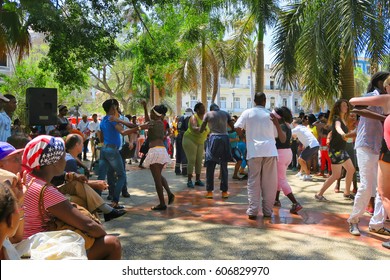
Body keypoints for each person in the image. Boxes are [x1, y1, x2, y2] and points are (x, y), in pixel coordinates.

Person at [22, 135, 122, 259]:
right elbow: (88, 225)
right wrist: (102, 233)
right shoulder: (47, 191)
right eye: (63, 156)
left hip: (25, 244)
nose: (66, 160)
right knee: (112, 243)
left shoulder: (26, 178)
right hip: (38, 250)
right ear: (53, 162)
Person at [347, 71, 390, 237]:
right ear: (381, 83)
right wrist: (382, 117)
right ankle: (353, 220)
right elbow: (356, 108)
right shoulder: (373, 96)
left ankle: (377, 223)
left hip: (380, 146)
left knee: (382, 189)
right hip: (366, 144)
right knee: (366, 186)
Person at [51, 134, 127, 222]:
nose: (83, 145)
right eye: (82, 143)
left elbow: (71, 178)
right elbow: (69, 181)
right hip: (57, 194)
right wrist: (95, 184)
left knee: (86, 196)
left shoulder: (69, 159)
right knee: (87, 200)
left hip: (60, 191)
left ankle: (104, 212)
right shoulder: (68, 161)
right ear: (77, 145)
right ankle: (101, 217)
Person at [234, 93, 281, 219]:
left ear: (254, 101)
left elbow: (236, 126)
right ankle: (267, 210)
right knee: (269, 182)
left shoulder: (247, 112)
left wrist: (243, 137)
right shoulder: (271, 115)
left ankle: (253, 210)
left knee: (253, 181)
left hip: (254, 151)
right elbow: (276, 135)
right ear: (265, 101)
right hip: (270, 151)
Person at [97, 99, 138, 209]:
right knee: (122, 176)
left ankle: (96, 203)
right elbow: (123, 132)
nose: (118, 108)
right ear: (113, 108)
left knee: (101, 177)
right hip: (112, 150)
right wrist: (140, 127)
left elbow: (100, 137)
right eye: (116, 106)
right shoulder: (112, 119)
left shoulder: (103, 120)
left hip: (104, 149)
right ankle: (115, 202)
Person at [314, 99, 356, 201]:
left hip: (341, 150)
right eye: (343, 105)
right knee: (336, 175)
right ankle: (319, 194)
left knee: (351, 170)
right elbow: (337, 128)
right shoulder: (337, 119)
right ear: (338, 108)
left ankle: (346, 193)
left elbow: (340, 132)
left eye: (346, 105)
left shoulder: (344, 119)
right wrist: (343, 134)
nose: (346, 107)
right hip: (336, 151)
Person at [140, 100, 175, 210]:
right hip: (161, 151)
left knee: (157, 180)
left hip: (155, 151)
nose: (150, 115)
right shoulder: (160, 123)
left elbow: (144, 124)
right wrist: (145, 108)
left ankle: (162, 203)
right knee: (159, 175)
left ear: (156, 114)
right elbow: (147, 121)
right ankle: (169, 193)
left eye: (151, 113)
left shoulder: (153, 123)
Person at [200, 103, 233, 199]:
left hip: (213, 138)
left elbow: (202, 129)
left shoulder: (208, 114)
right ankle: (224, 192)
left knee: (210, 166)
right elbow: (233, 127)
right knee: (224, 167)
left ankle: (209, 192)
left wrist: (202, 130)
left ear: (211, 109)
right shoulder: (225, 113)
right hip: (225, 139)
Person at [273, 107, 303, 214]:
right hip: (286, 153)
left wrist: (275, 124)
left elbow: (283, 138)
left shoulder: (281, 126)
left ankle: (295, 203)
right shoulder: (286, 125)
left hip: (281, 154)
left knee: (281, 179)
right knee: (280, 177)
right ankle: (276, 199)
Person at [182, 103, 209, 188]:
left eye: (204, 107)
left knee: (199, 161)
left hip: (200, 142)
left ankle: (197, 180)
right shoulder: (194, 117)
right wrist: (200, 128)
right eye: (202, 108)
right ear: (197, 110)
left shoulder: (206, 118)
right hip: (190, 140)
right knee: (192, 159)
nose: (204, 109)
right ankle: (189, 180)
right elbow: (194, 127)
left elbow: (209, 130)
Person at [175, 108, 193, 176]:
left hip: (178, 136)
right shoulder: (188, 118)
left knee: (178, 153)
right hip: (185, 137)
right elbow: (188, 129)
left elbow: (178, 127)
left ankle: (177, 170)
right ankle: (185, 171)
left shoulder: (181, 118)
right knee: (184, 154)